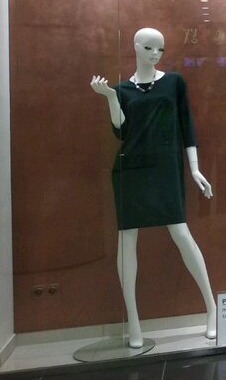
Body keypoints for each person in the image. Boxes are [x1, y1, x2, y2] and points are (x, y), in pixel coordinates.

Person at [90, 27, 216, 348]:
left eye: (160, 49)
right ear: (135, 47)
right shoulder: (121, 89)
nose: (155, 54)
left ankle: (212, 309)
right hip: (130, 171)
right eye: (148, 47)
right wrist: (110, 97)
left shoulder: (173, 82)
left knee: (182, 234)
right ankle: (133, 323)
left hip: (165, 169)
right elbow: (120, 131)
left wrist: (194, 168)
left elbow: (186, 125)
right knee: (127, 239)